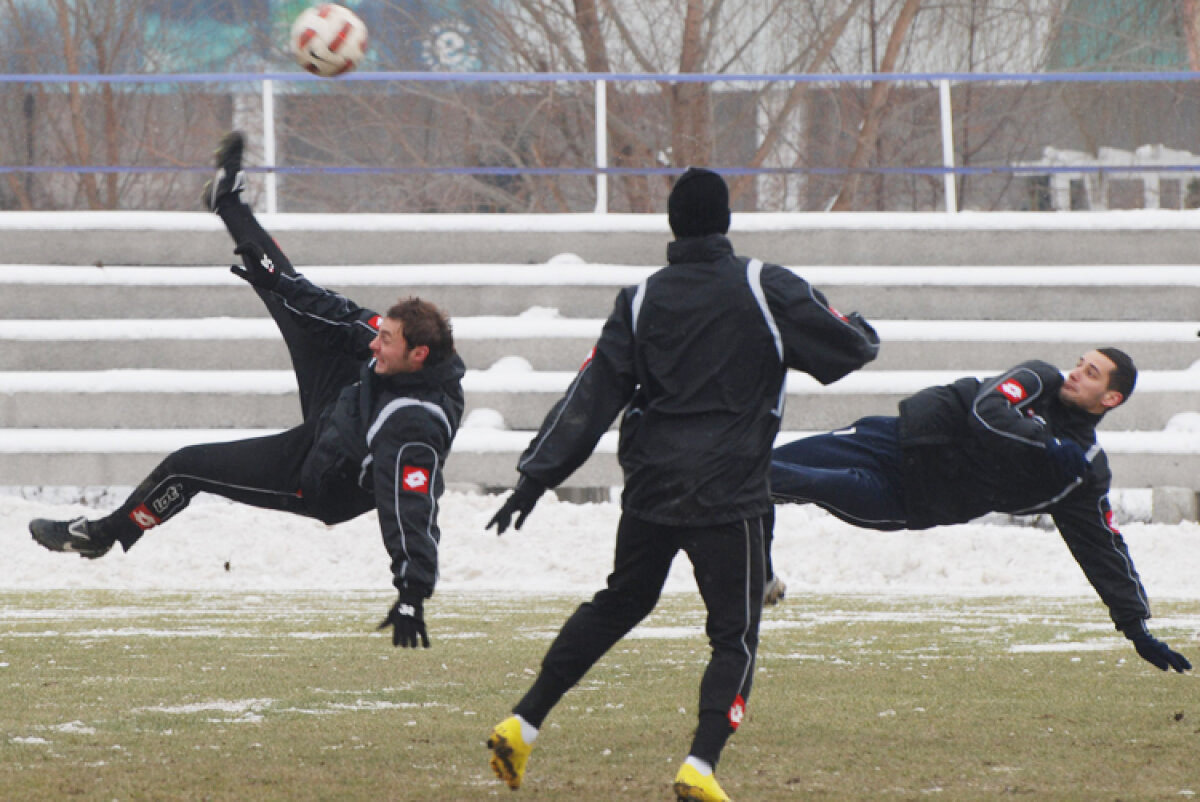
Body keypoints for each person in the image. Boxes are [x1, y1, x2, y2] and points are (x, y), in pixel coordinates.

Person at [482, 167, 880, 802]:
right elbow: (850, 347)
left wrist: (535, 479)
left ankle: (523, 722)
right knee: (734, 634)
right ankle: (699, 766)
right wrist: (858, 325)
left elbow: (592, 394)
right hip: (730, 493)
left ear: (672, 225)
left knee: (618, 603)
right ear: (724, 222)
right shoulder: (762, 285)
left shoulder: (639, 299)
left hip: (653, 488)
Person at [29, 132, 465, 650]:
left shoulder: (413, 423)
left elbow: (409, 505)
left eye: (386, 342)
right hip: (345, 407)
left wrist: (413, 591)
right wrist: (276, 284)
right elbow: (334, 311)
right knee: (292, 294)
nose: (375, 345)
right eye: (380, 335)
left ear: (417, 355)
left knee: (186, 466)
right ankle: (228, 200)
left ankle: (103, 535)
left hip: (322, 474)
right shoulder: (388, 351)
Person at [769, 349, 1191, 674]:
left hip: (904, 496)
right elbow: (987, 412)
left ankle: (713, 492)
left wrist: (1135, 625)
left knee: (801, 481)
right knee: (760, 466)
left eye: (1091, 373)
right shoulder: (1038, 378)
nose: (1075, 372)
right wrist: (1046, 444)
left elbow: (1099, 544)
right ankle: (738, 544)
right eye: (1080, 363)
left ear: (1111, 398)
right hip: (889, 441)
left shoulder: (1082, 470)